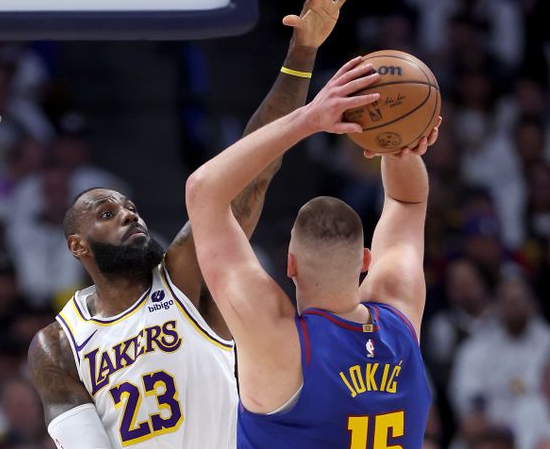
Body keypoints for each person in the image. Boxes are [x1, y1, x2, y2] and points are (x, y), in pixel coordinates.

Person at [27, 0, 359, 448]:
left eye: (129, 208)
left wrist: (302, 53)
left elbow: (254, 170)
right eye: (106, 213)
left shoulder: (187, 273)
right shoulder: (58, 344)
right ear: (77, 246)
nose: (128, 215)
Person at [185, 58, 440, 447]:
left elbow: (204, 191)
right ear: (366, 262)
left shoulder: (278, 345)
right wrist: (396, 141)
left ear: (290, 265)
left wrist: (311, 120)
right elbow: (407, 201)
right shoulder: (399, 316)